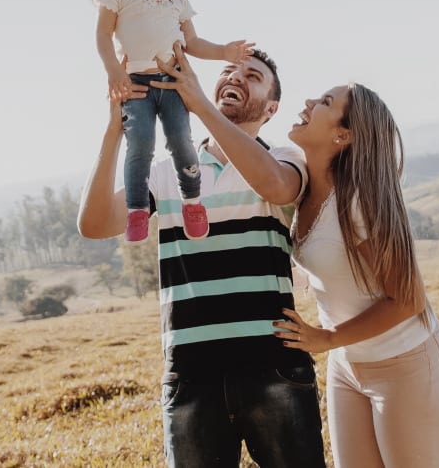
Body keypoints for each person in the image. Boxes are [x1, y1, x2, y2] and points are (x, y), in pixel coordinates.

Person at [155, 47, 439, 467]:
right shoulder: (305, 186)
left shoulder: (359, 203)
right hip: (348, 367)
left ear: (343, 135)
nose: (308, 104)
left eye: (325, 104)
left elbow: (407, 299)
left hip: (405, 366)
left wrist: (328, 338)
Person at [77, 48, 327, 467]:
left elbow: (277, 189)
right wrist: (114, 129)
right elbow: (95, 224)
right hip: (191, 374)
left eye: (253, 75)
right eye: (230, 70)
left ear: (271, 107)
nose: (237, 77)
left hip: (273, 367)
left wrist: (200, 106)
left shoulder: (284, 158)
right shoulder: (163, 172)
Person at [94, 0, 253, 243]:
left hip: (172, 83)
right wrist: (112, 71)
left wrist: (224, 51)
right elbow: (103, 37)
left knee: (181, 141)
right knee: (140, 146)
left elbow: (192, 43)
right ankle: (137, 211)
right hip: (136, 85)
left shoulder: (178, 2)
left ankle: (192, 202)